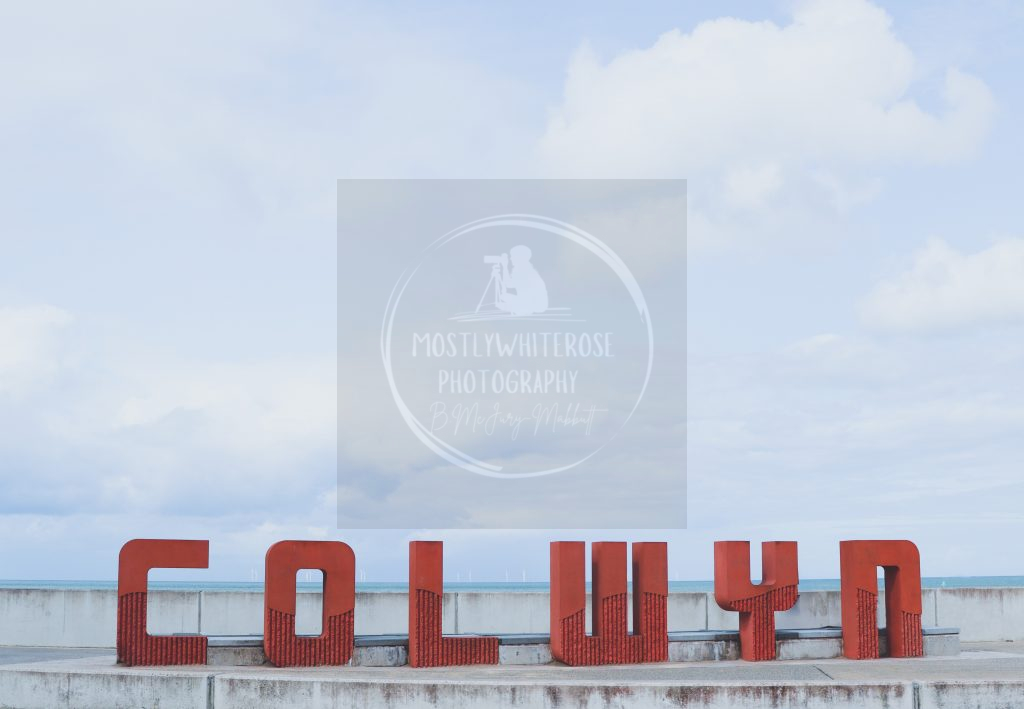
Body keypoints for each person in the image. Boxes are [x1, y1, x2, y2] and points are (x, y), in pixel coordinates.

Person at [497, 245, 548, 316]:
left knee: (502, 302)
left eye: (512, 256)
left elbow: (508, 284)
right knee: (503, 296)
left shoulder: (522, 270)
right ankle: (521, 309)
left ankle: (523, 310)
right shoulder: (527, 268)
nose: (511, 258)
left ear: (519, 257)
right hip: (537, 303)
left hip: (534, 305)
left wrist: (505, 267)